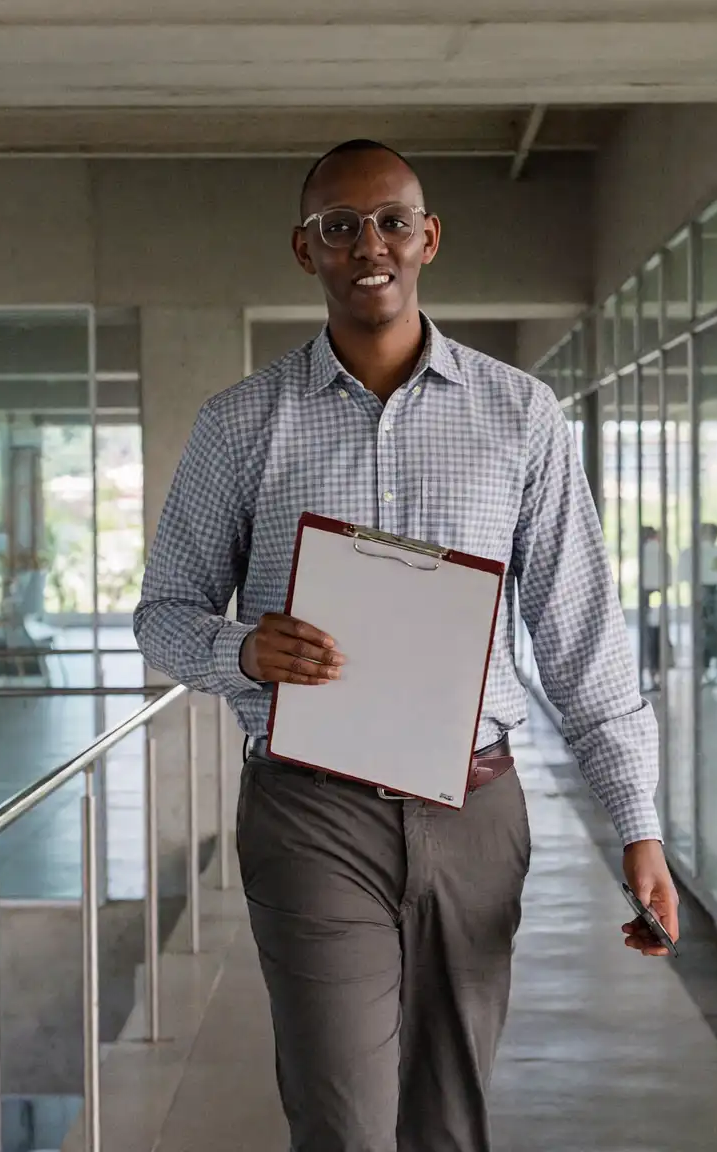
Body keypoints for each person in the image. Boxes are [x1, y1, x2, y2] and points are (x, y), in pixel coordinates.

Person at [134, 139, 676, 1152]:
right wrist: (244, 651)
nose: (367, 245)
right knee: (343, 1123)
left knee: (447, 1118)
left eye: (388, 221)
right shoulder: (241, 425)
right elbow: (162, 612)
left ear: (427, 238)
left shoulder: (518, 415)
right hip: (310, 815)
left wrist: (636, 824)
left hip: (476, 810)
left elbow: (580, 633)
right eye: (338, 227)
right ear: (306, 252)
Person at [694, 522, 717, 681]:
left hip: (703, 592)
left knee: (703, 629)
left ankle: (705, 665)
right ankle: (711, 663)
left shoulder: (696, 553)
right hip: (716, 592)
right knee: (714, 630)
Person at [638, 525, 667, 689]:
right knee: (656, 634)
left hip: (647, 596)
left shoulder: (644, 553)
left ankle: (651, 672)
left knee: (649, 636)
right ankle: (656, 673)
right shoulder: (661, 553)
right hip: (658, 596)